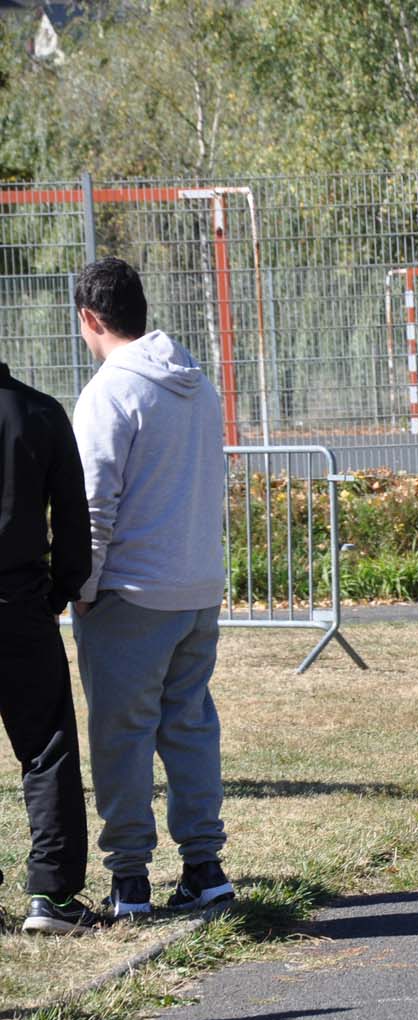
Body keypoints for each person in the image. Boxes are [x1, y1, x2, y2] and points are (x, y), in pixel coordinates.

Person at [72, 257, 235, 919]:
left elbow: (93, 506)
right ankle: (204, 867)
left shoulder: (109, 392)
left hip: (131, 595)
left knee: (123, 738)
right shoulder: (196, 382)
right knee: (190, 730)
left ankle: (130, 880)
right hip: (196, 586)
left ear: (90, 318)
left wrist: (81, 587)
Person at [0, 360, 96, 934]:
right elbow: (72, 512)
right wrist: (63, 586)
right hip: (19, 601)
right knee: (46, 745)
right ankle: (52, 895)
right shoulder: (38, 411)